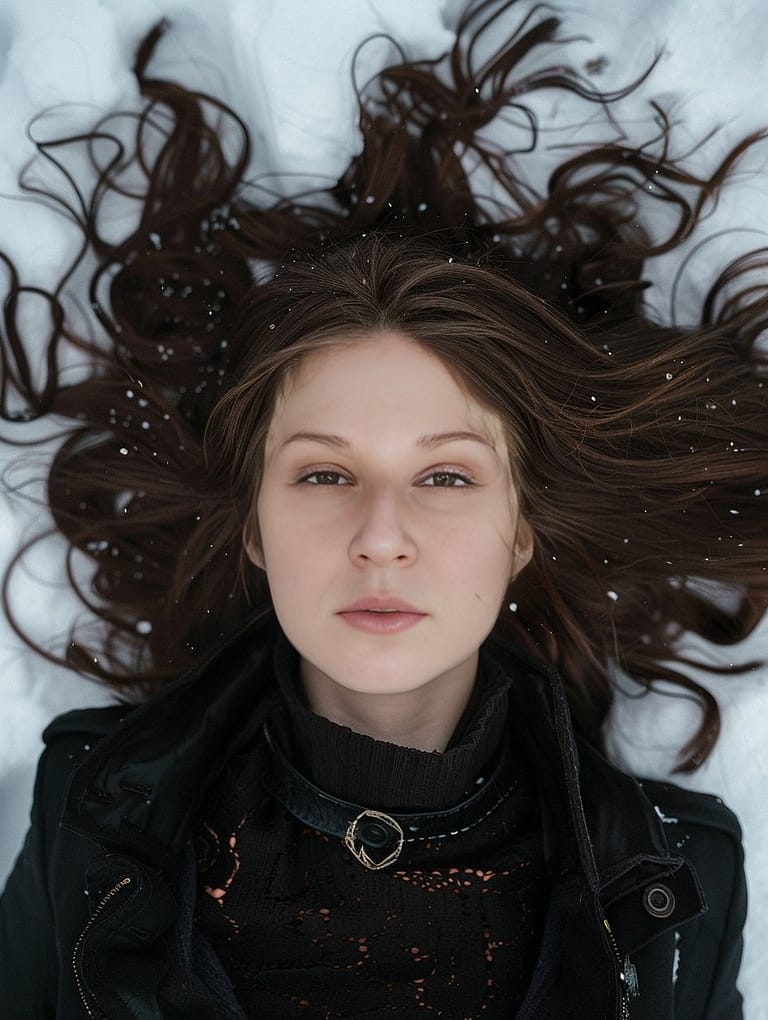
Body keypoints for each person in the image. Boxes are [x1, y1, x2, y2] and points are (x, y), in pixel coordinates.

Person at [0, 1, 765, 1016]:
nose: (381, 537)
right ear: (256, 529)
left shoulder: (680, 880)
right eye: (323, 475)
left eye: (445, 477)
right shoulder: (88, 812)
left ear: (522, 529)